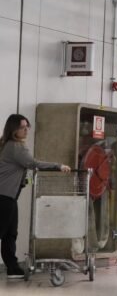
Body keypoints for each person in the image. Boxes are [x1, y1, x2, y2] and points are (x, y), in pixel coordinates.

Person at [0, 114, 71, 279]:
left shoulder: (6, 144)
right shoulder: (15, 147)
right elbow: (33, 163)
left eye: (27, 127)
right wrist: (58, 166)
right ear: (13, 129)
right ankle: (12, 267)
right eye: (22, 127)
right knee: (4, 232)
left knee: (10, 233)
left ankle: (13, 268)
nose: (26, 130)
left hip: (9, 196)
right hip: (4, 197)